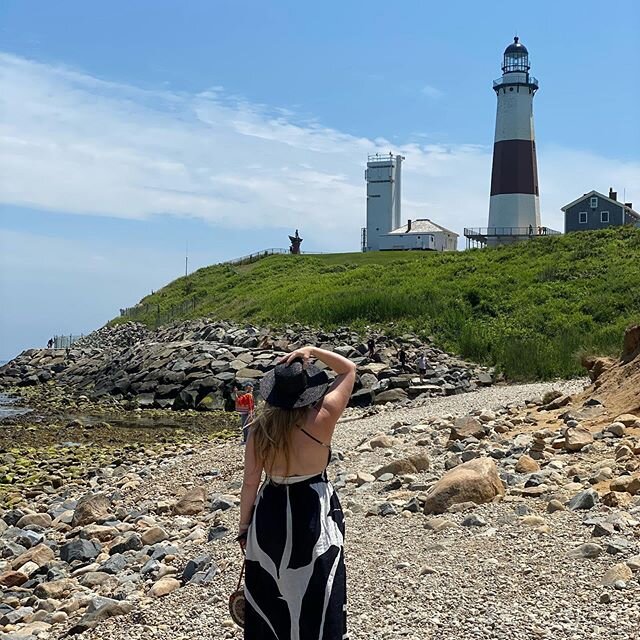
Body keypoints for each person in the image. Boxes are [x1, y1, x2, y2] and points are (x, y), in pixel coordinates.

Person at [238, 346, 356, 639]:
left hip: (271, 508)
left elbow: (251, 482)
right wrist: (313, 350)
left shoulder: (258, 427)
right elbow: (348, 370)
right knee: (318, 583)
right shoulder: (325, 415)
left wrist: (244, 527)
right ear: (306, 390)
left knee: (270, 591)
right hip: (314, 505)